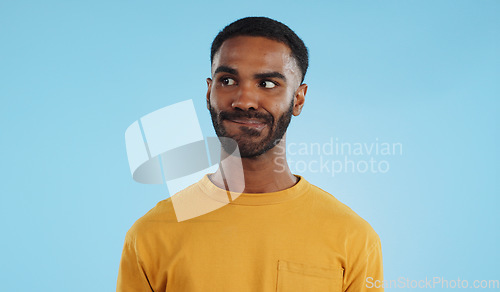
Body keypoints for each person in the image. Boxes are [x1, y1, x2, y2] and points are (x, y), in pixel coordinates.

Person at [117, 17, 383, 291]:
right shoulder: (150, 235)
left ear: (298, 99)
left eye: (267, 84)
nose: (244, 101)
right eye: (228, 80)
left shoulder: (353, 238)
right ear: (209, 92)